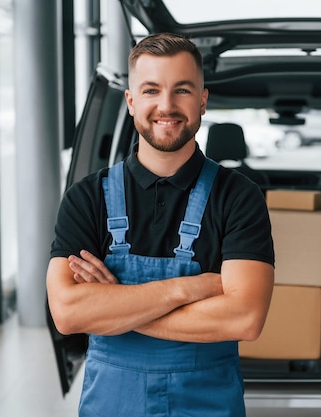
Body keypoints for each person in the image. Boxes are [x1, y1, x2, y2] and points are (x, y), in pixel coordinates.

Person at [46, 32, 275, 417]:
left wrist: (116, 305)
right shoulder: (87, 198)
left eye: (182, 90)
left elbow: (245, 318)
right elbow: (69, 314)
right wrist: (193, 287)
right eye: (151, 90)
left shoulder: (238, 197)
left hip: (207, 406)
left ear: (202, 100)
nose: (166, 106)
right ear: (132, 100)